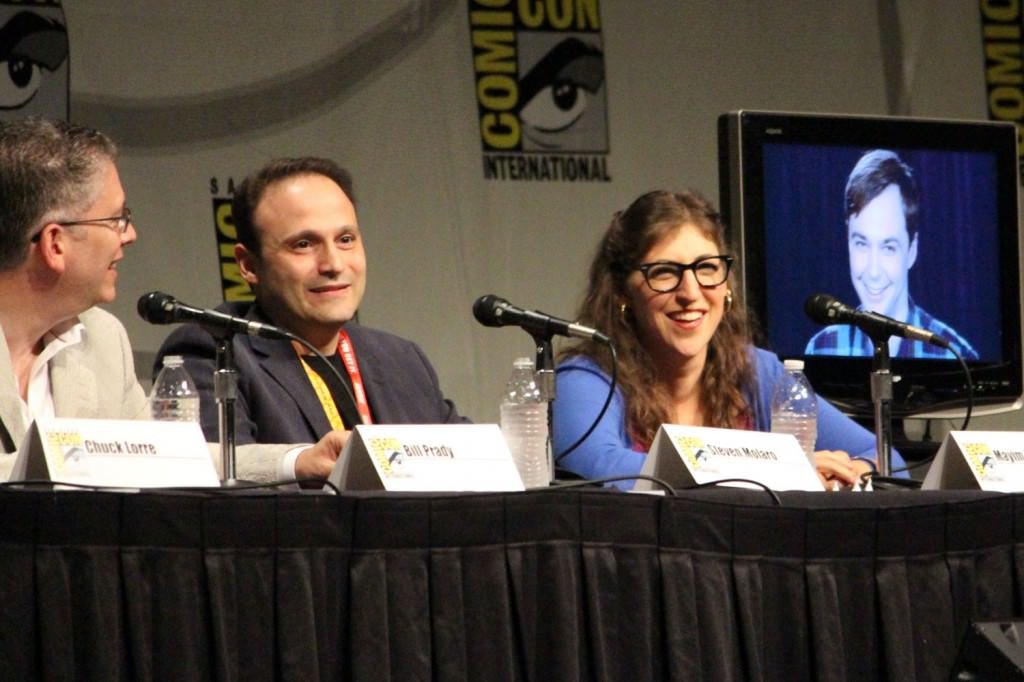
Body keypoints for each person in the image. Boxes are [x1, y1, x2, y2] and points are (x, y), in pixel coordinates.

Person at [552, 189, 903, 491]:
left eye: (707, 269)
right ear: (621, 291)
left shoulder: (757, 372)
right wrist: (778, 471)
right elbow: (600, 469)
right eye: (664, 272)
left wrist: (854, 472)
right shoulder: (586, 376)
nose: (691, 293)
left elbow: (888, 459)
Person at [155, 157, 466, 483]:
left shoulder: (401, 360)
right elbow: (222, 494)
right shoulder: (214, 350)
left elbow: (471, 468)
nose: (333, 263)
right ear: (248, 265)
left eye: (346, 239)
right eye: (303, 244)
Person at [0, 117, 147, 479]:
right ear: (55, 244)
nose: (130, 235)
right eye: (117, 219)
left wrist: (297, 461)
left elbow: (161, 456)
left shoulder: (104, 340)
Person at [805, 149, 978, 359]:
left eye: (888, 247)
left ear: (912, 250)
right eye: (861, 243)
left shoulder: (955, 355)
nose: (874, 272)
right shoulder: (821, 348)